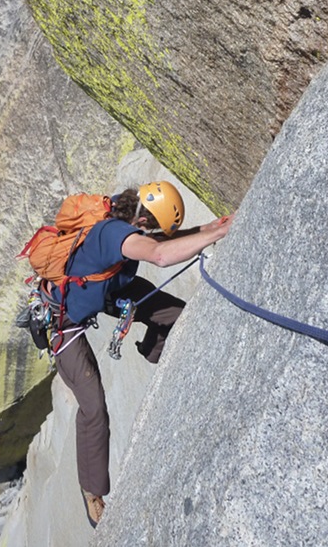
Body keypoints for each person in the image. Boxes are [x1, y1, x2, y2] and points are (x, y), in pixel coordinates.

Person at [48, 181, 234, 527]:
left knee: (176, 315)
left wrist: (204, 229)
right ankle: (92, 493)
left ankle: (158, 351)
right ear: (144, 220)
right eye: (154, 226)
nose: (154, 232)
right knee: (93, 405)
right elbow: (159, 255)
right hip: (63, 319)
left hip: (107, 288)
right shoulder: (113, 232)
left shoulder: (128, 219)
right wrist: (215, 237)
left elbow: (154, 242)